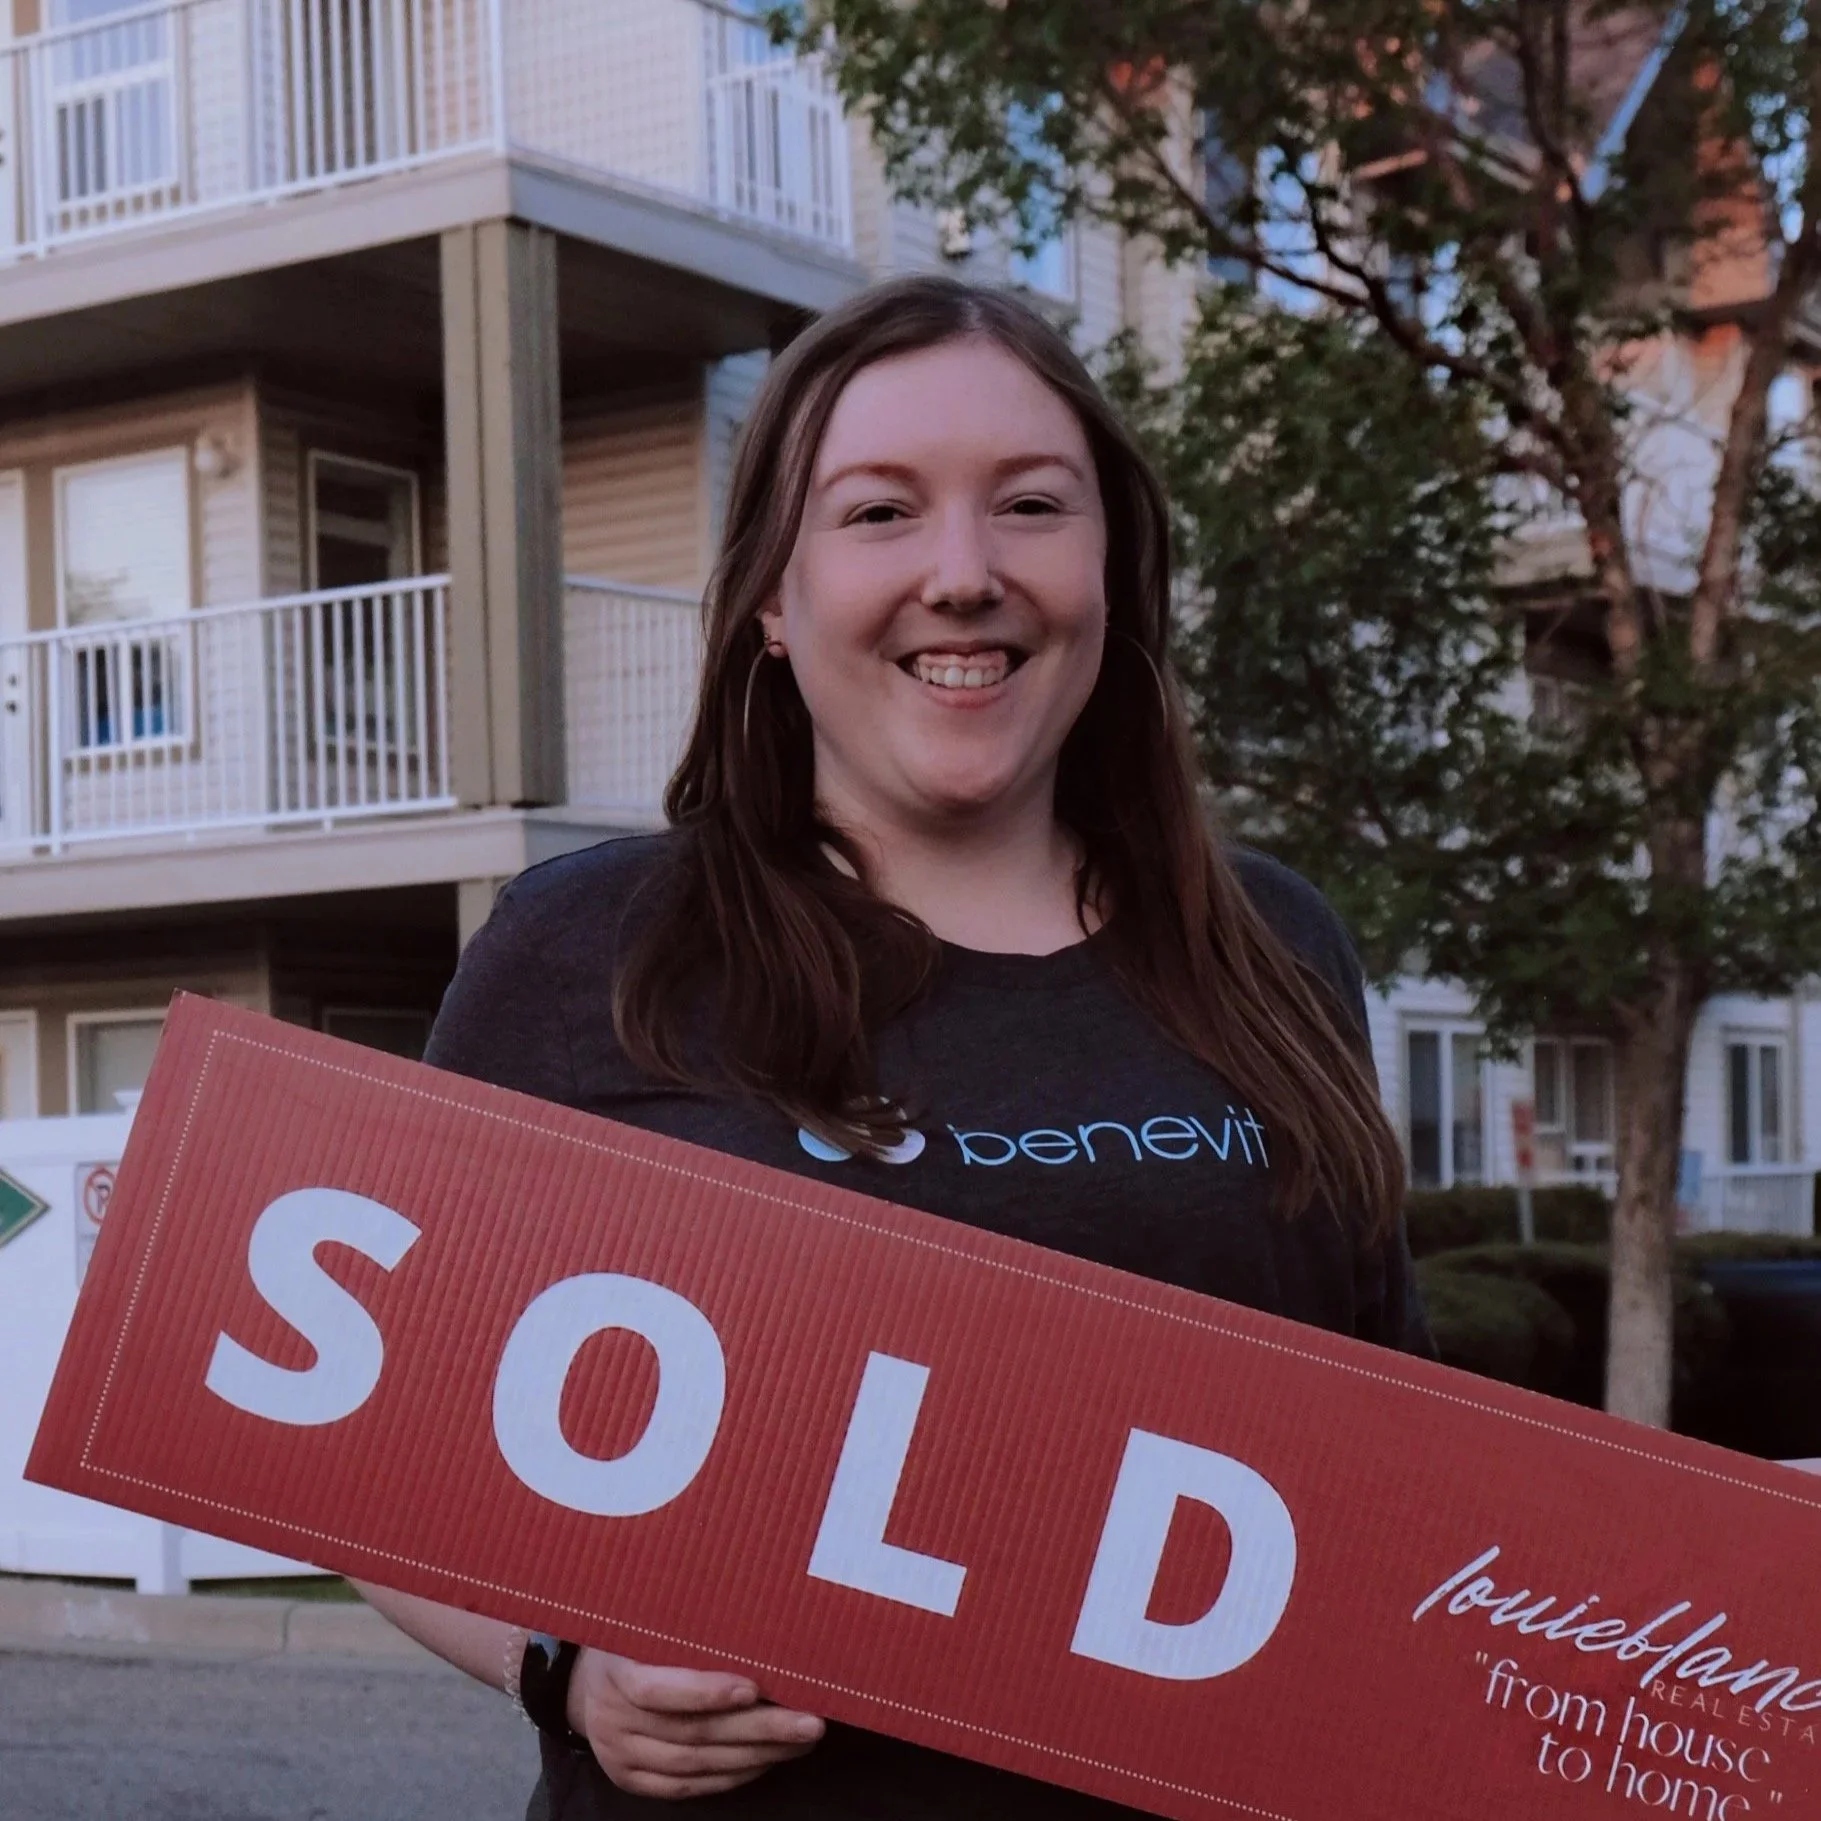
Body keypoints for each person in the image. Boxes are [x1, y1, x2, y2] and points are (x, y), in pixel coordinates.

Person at [357, 273, 1430, 1818]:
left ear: (1111, 566)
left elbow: (1398, 1470)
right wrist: (562, 1672)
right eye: (878, 513)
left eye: (1032, 506)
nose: (964, 572)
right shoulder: (594, 951)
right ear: (774, 604)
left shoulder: (1274, 947)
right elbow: (361, 1435)